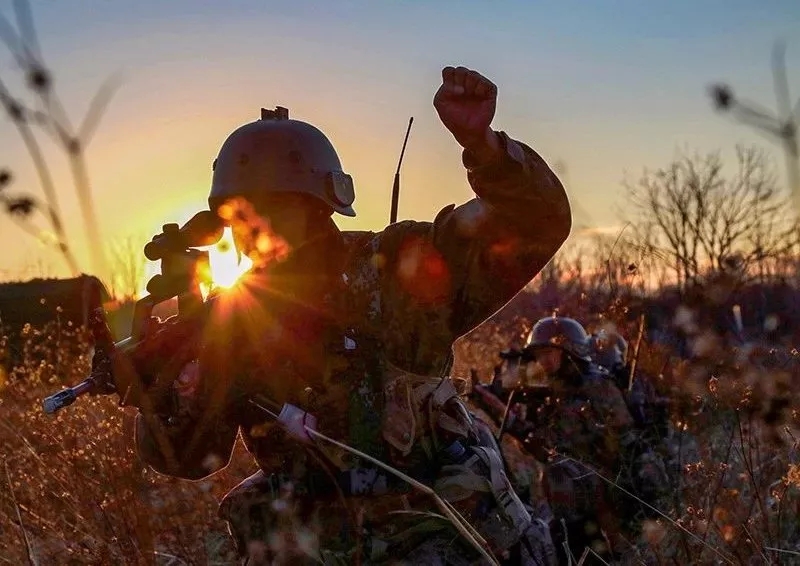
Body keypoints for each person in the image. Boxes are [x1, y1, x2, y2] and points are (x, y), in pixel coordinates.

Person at [127, 66, 571, 565]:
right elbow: (190, 459)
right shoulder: (231, 320)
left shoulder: (396, 273)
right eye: (239, 215)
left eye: (272, 208)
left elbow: (538, 221)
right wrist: (166, 393)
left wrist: (484, 147)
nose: (253, 230)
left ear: (320, 206)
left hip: (441, 537)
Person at [474, 316, 667, 564]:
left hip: (613, 486)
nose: (543, 361)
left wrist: (504, 416)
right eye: (540, 354)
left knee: (559, 477)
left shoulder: (593, 387)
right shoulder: (564, 388)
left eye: (549, 353)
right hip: (595, 487)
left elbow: (550, 449)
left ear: (570, 351)